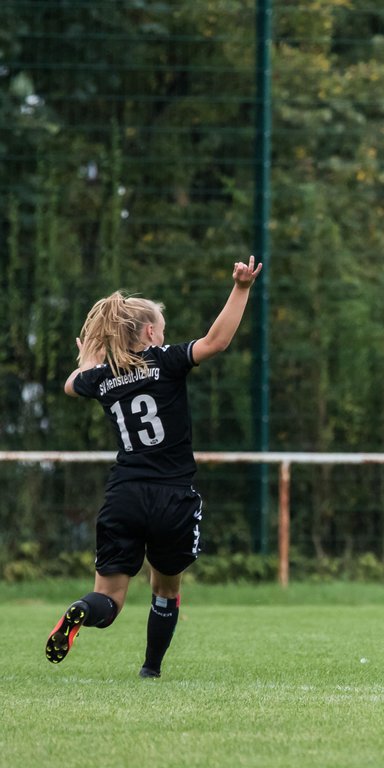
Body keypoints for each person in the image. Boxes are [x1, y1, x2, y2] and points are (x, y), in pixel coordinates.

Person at [46, 256, 263, 677]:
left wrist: (90, 355)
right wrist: (241, 288)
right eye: (160, 328)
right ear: (149, 332)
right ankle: (150, 670)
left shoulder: (102, 379)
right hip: (172, 497)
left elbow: (73, 384)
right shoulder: (166, 361)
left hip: (124, 495)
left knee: (107, 600)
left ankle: (81, 611)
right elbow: (215, 342)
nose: (164, 335)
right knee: (165, 589)